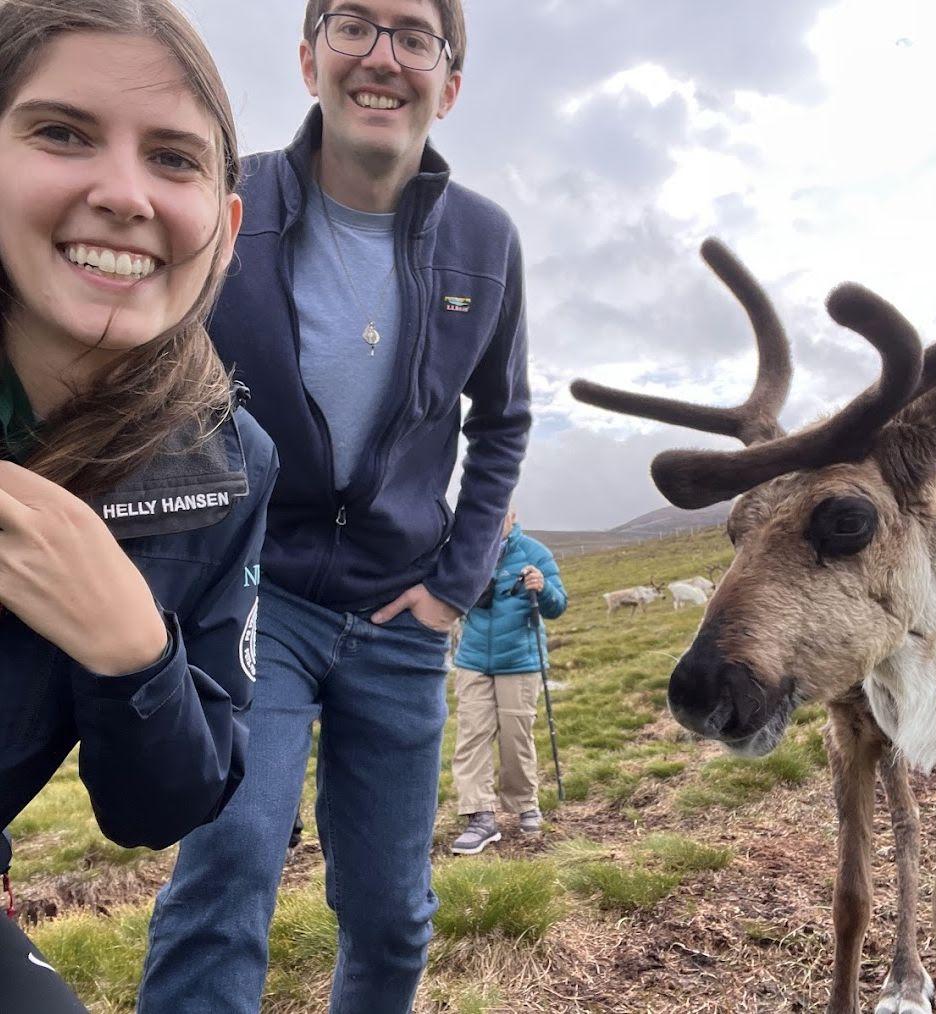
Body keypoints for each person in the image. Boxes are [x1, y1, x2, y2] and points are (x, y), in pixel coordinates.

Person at [137, 1, 531, 1012]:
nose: (381, 57)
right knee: (228, 871)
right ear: (309, 60)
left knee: (392, 914)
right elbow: (147, 368)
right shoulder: (228, 202)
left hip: (400, 617)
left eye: (414, 36)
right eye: (352, 25)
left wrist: (453, 586)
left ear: (448, 85)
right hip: (255, 598)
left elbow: (503, 423)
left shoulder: (486, 242)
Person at [0, 0, 277, 1009]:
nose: (124, 194)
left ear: (226, 230)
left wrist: (131, 650)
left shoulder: (226, 466)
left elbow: (160, 808)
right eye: (61, 132)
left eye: (173, 158)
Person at [450, 509, 567, 855]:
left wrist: (543, 589)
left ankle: (524, 803)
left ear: (512, 515)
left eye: (501, 512)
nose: (492, 519)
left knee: (516, 735)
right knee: (472, 734)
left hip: (520, 660)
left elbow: (558, 606)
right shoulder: (468, 551)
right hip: (472, 660)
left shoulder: (535, 553)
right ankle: (480, 815)